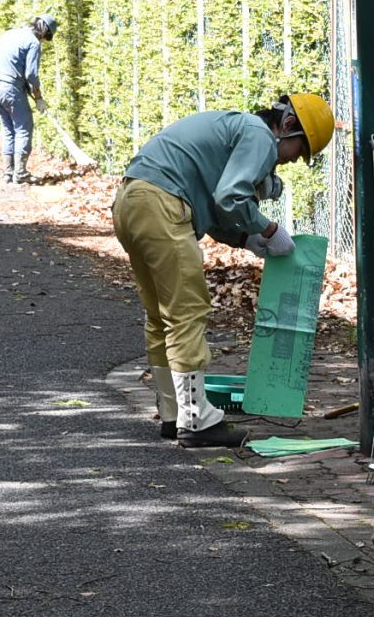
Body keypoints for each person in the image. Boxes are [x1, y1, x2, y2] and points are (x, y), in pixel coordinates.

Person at [113, 94, 336, 448]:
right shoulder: (260, 135)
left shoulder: (236, 129)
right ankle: (197, 420)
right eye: (299, 151)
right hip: (161, 205)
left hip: (131, 201)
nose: (293, 161)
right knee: (187, 311)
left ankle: (173, 414)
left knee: (160, 315)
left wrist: (245, 238)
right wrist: (267, 229)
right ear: (289, 126)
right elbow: (230, 198)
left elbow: (213, 205)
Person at [0, 14, 58, 184]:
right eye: (46, 38)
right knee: (23, 128)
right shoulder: (33, 43)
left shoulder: (10, 33)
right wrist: (39, 97)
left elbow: (11, 63)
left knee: (8, 129)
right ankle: (20, 173)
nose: (43, 42)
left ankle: (8, 173)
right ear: (44, 32)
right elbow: (31, 74)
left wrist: (26, 88)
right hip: (11, 88)